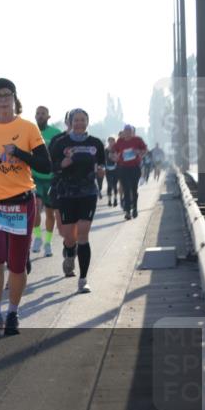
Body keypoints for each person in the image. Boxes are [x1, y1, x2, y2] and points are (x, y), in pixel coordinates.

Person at [0, 79, 51, 339]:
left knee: (17, 263)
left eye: (7, 94)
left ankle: (13, 312)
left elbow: (45, 164)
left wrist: (19, 152)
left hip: (20, 201)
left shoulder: (27, 128)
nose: (3, 99)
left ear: (14, 98)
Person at [49, 109, 105, 291]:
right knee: (68, 235)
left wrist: (101, 171)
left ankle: (83, 279)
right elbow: (51, 166)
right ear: (70, 122)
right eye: (76, 120)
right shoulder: (60, 142)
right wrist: (62, 165)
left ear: (87, 121)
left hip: (88, 192)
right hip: (66, 193)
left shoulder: (95, 143)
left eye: (83, 120)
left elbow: (102, 164)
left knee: (83, 233)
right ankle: (70, 252)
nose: (79, 123)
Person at [31, 106, 62, 258]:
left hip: (51, 178)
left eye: (43, 114)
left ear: (48, 116)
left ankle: (48, 242)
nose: (40, 116)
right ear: (35, 116)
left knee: (51, 214)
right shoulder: (29, 131)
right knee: (35, 208)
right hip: (35, 177)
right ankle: (37, 237)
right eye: (38, 113)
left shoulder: (55, 134)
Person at [113, 125, 147, 220]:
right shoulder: (120, 141)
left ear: (132, 132)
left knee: (134, 189)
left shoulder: (138, 140)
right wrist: (115, 156)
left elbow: (145, 151)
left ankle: (135, 208)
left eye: (129, 131)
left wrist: (139, 152)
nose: (127, 133)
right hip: (123, 168)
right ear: (123, 132)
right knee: (126, 190)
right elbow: (113, 151)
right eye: (126, 131)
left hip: (135, 168)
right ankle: (128, 211)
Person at [104, 136, 119, 207]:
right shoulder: (105, 150)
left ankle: (115, 199)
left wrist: (113, 157)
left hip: (115, 169)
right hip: (108, 169)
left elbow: (117, 159)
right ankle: (109, 200)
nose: (111, 143)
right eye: (110, 141)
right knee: (109, 184)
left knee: (115, 185)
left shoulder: (117, 150)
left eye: (112, 141)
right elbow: (103, 160)